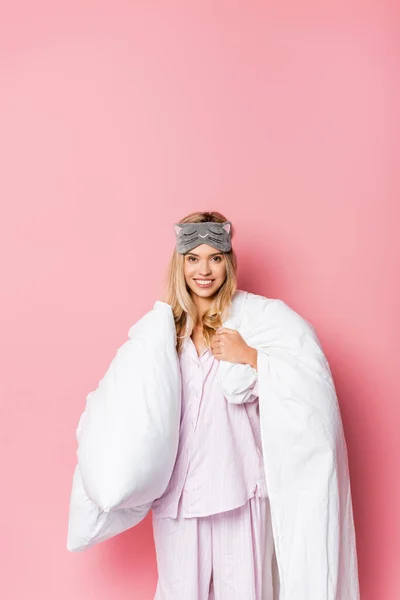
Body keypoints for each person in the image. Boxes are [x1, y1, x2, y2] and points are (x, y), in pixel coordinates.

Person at [151, 211, 276, 599]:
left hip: (239, 485)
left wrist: (252, 356)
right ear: (180, 263)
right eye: (193, 258)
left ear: (228, 262)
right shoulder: (160, 333)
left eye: (215, 257)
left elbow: (301, 386)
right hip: (178, 495)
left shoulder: (255, 322)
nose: (204, 270)